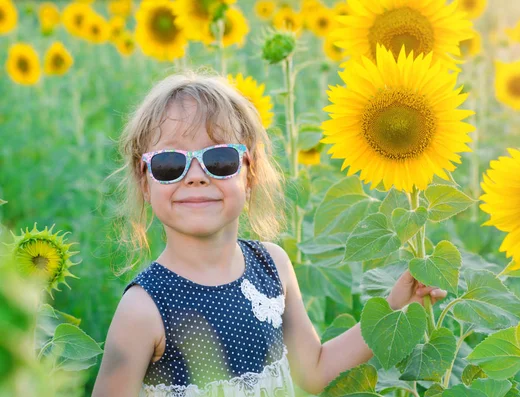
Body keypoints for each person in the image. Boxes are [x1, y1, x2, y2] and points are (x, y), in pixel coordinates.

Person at [92, 69, 447, 397]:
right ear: (144, 181)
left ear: (250, 173)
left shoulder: (271, 265)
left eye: (219, 160)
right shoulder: (144, 309)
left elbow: (314, 370)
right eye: (170, 163)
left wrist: (395, 306)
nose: (196, 176)